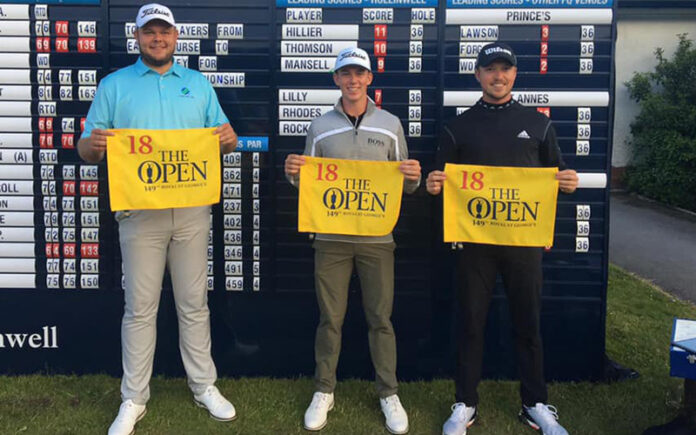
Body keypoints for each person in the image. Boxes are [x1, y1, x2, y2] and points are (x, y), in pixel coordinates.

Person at [77, 4, 238, 435]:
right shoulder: (114, 86)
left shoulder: (199, 84)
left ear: (175, 36)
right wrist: (93, 145)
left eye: (164, 31)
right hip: (139, 214)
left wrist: (229, 138)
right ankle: (134, 397)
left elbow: (225, 139)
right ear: (138, 37)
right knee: (139, 310)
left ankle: (204, 385)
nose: (157, 39)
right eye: (150, 32)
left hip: (191, 212)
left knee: (194, 305)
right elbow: (87, 149)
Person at [425, 42, 579, 435]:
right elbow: (439, 181)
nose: (498, 76)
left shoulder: (539, 123)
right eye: (490, 69)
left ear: (514, 74)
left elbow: (557, 179)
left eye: (505, 69)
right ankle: (465, 403)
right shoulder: (457, 126)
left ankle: (535, 404)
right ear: (477, 75)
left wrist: (568, 182)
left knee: (527, 323)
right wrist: (434, 184)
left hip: (523, 243)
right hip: (474, 244)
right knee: (471, 323)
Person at [284, 47, 421, 434]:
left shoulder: (390, 124)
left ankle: (388, 393)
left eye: (359, 73)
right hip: (330, 239)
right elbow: (304, 182)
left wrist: (412, 175)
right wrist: (291, 170)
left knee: (380, 319)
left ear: (369, 79)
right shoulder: (320, 126)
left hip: (378, 239)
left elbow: (407, 187)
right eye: (346, 74)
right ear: (336, 79)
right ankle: (324, 389)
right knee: (331, 319)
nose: (353, 80)